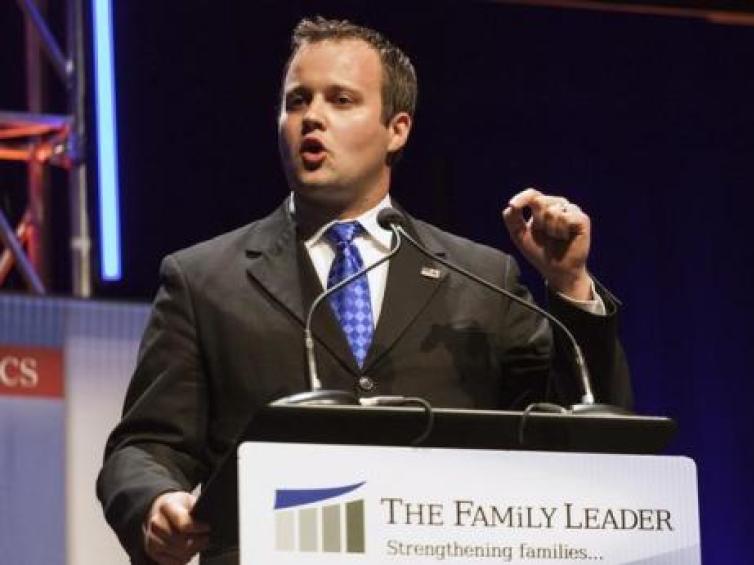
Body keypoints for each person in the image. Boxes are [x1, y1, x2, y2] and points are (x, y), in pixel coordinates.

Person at [97, 16, 632, 565]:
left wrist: (568, 284)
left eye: (341, 100)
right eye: (297, 101)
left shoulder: (482, 279)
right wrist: (155, 500)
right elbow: (144, 445)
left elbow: (573, 431)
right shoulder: (204, 278)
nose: (312, 118)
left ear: (396, 129)